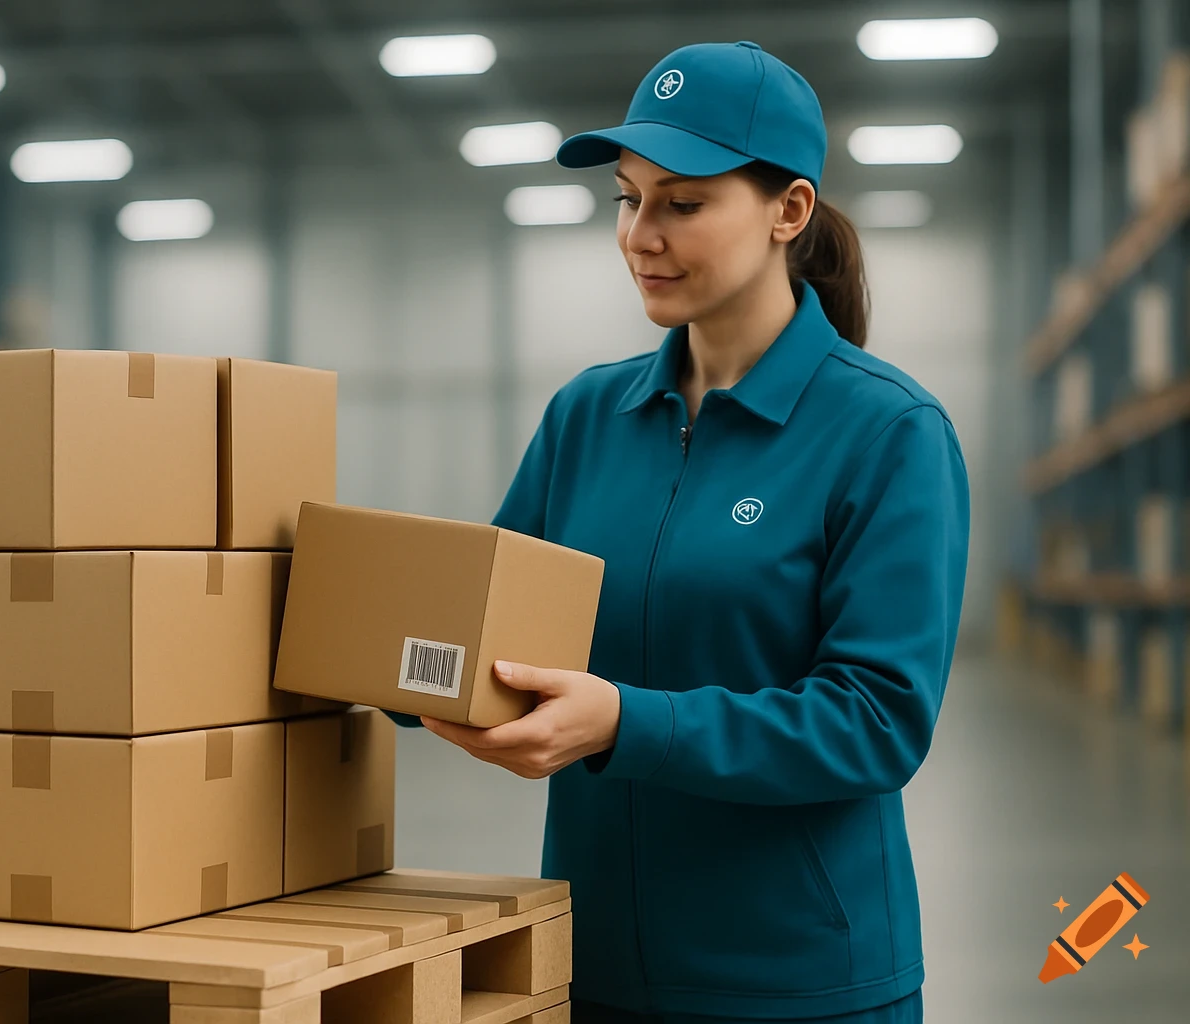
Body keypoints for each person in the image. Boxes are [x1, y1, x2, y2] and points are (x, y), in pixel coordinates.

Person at [389, 41, 970, 1023]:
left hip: (799, 985)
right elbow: (485, 629)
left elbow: (876, 720)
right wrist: (355, 652)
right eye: (628, 197)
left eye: (682, 203)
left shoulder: (886, 432)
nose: (638, 235)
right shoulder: (589, 416)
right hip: (598, 969)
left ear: (789, 211)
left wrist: (625, 720)